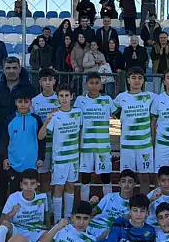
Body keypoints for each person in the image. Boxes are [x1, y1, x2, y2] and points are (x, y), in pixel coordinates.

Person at [0, 56, 32, 205]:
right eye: (8, 68)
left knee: (19, 181)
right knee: (1, 180)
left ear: (20, 69)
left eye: (15, 68)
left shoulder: (29, 89)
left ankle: (20, 211)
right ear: (3, 70)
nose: (11, 71)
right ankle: (0, 211)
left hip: (22, 143)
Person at [39, 84, 83, 223]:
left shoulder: (78, 113)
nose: (64, 99)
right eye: (61, 96)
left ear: (71, 97)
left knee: (70, 187)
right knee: (58, 188)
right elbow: (41, 136)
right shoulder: (55, 116)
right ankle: (57, 221)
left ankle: (68, 218)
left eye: (66, 95)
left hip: (74, 158)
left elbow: (80, 131)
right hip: (60, 159)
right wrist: (47, 121)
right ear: (58, 98)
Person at [75, 72, 117, 201]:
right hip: (86, 146)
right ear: (86, 84)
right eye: (91, 83)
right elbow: (76, 123)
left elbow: (119, 116)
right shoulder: (80, 101)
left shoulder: (107, 100)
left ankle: (108, 206)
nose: (94, 86)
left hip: (102, 146)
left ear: (101, 85)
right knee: (85, 178)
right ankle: (84, 206)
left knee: (106, 177)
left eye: (97, 83)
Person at [114, 67, 156, 194]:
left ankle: (144, 203)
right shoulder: (121, 97)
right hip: (127, 145)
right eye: (133, 78)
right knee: (127, 179)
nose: (136, 81)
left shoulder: (150, 96)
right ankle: (127, 203)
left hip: (145, 145)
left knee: (144, 177)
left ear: (143, 80)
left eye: (139, 78)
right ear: (128, 80)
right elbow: (110, 110)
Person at [0, 169, 50, 242]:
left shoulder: (43, 197)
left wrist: (49, 232)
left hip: (36, 232)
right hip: (17, 232)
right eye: (25, 183)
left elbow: (47, 220)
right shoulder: (13, 197)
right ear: (21, 185)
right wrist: (12, 213)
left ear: (37, 184)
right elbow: (0, 223)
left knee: (53, 234)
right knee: (5, 224)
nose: (29, 187)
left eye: (32, 183)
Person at [1, 88, 46, 192]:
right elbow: (4, 141)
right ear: (15, 103)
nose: (23, 104)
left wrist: (41, 158)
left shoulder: (36, 119)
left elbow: (42, 140)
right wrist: (5, 158)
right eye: (20, 101)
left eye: (26, 102)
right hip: (14, 164)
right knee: (15, 192)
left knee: (30, 192)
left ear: (30, 103)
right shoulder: (9, 120)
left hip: (32, 163)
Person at [32, 68, 60, 193]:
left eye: (50, 79)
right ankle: (46, 202)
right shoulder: (35, 101)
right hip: (42, 145)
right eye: (44, 80)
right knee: (43, 177)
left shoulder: (61, 99)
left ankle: (56, 202)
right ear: (40, 82)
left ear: (54, 81)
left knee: (58, 178)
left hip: (58, 145)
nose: (47, 82)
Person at [86, 169, 137, 237]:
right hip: (93, 225)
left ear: (134, 184)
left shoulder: (136, 203)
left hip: (110, 231)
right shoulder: (110, 196)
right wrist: (89, 204)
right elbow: (94, 211)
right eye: (123, 181)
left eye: (130, 182)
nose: (126, 185)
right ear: (119, 183)